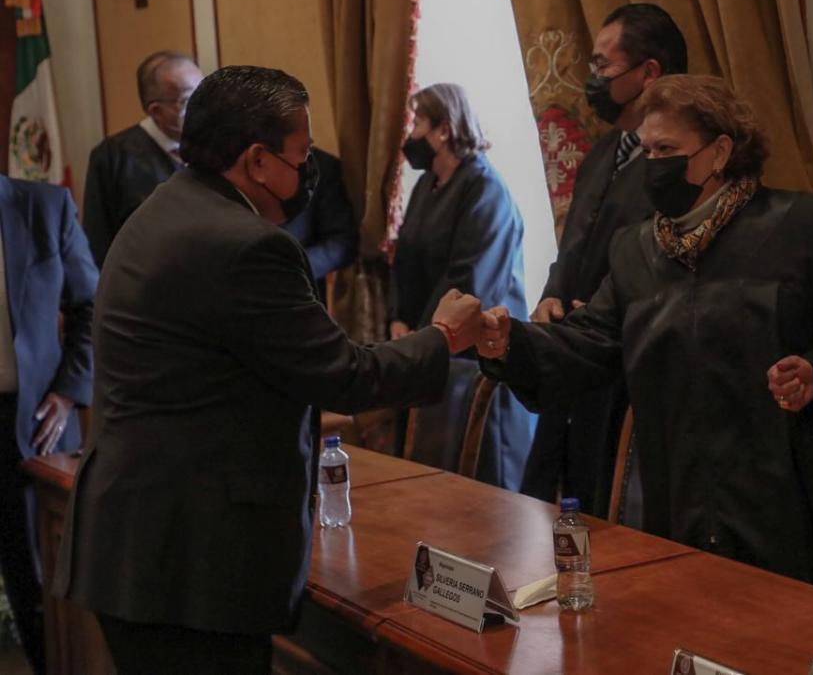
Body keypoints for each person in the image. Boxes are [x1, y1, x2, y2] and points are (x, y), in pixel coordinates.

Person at [54, 66, 484, 674]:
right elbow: (344, 375)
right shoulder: (245, 244)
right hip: (189, 562)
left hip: (140, 541)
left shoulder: (167, 206)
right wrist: (443, 337)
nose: (307, 172)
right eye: (301, 155)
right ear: (257, 160)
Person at [480, 75, 813, 581]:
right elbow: (588, 342)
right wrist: (508, 341)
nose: (652, 164)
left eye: (666, 149)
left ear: (720, 152)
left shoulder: (804, 225)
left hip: (788, 500)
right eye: (646, 150)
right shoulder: (636, 249)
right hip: (678, 500)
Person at [521, 2, 687, 514]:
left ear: (648, 72)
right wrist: (551, 295)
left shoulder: (675, 163)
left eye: (602, 65)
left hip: (626, 363)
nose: (592, 78)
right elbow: (574, 243)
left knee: (612, 510)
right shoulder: (601, 152)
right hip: (575, 352)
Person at [388, 83, 533, 490]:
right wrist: (399, 318)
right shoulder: (427, 185)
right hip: (430, 345)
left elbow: (470, 279)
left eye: (418, 123)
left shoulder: (486, 189)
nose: (412, 134)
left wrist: (424, 336)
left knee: (480, 481)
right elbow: (405, 258)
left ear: (444, 130)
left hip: (476, 355)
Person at [0, 175, 97, 675]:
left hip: (36, 425)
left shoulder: (43, 208)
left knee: (44, 590)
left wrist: (67, 392)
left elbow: (92, 307)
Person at [82, 50, 203, 267]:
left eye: (203, 93)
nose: (201, 107)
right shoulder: (113, 157)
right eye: (187, 99)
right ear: (156, 111)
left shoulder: (217, 145)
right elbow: (98, 241)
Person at [282, 147, 358, 305]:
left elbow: (342, 243)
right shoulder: (230, 166)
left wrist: (291, 271)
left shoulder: (320, 166)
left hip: (296, 301)